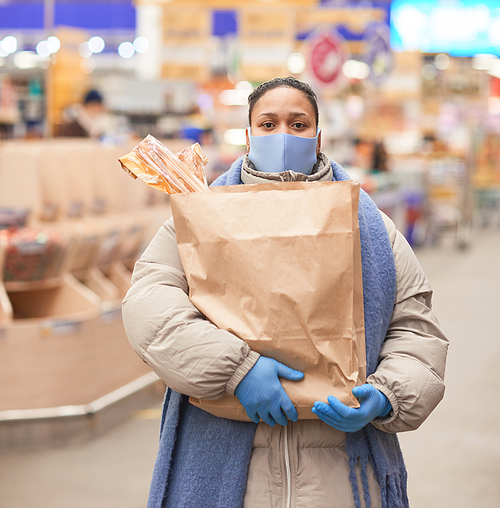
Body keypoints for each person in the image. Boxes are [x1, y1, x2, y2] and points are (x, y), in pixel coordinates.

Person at [122, 77, 448, 508]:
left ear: (317, 139)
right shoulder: (201, 218)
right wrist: (235, 369)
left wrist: (388, 393)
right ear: (248, 136)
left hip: (341, 477)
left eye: (298, 125)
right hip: (234, 478)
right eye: (268, 123)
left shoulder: (370, 229)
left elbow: (415, 328)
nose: (282, 135)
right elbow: (150, 307)